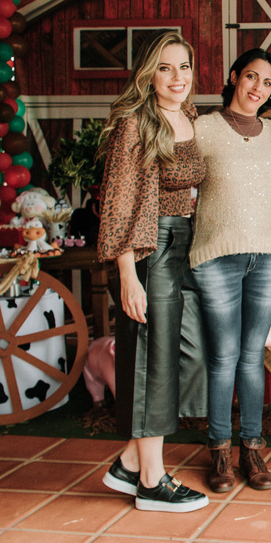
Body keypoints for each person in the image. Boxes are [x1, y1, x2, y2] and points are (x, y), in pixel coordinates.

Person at [97, 31, 209, 513]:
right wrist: (128, 275)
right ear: (148, 73)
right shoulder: (134, 124)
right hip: (147, 248)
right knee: (150, 359)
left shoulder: (188, 116)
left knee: (193, 352)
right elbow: (119, 203)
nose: (177, 77)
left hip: (184, 244)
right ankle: (151, 478)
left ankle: (127, 462)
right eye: (166, 68)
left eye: (183, 66)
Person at [190, 48, 271, 493]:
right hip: (216, 256)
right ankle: (220, 453)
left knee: (253, 358)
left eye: (267, 83)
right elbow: (176, 179)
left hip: (267, 257)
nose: (257, 88)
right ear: (234, 77)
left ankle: (252, 448)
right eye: (251, 77)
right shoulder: (203, 128)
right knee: (223, 357)